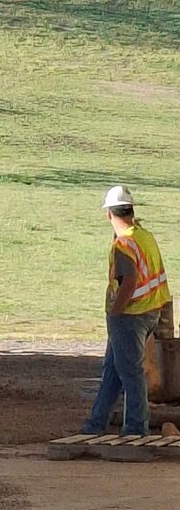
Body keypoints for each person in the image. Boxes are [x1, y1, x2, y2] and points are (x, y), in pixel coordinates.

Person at [81, 185, 171, 437]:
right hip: (151, 311)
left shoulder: (125, 245)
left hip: (130, 316)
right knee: (113, 370)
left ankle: (135, 429)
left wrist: (115, 311)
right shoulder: (144, 236)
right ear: (131, 211)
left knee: (130, 374)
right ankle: (96, 423)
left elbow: (129, 282)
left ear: (109, 214)